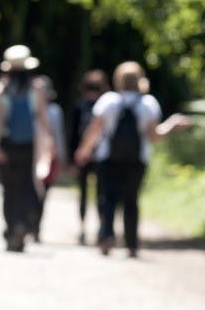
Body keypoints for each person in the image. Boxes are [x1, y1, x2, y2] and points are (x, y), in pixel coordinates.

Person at [75, 61, 190, 257]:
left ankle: (107, 236)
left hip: (108, 158)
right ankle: (131, 244)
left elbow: (94, 130)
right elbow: (154, 136)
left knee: (108, 198)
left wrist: (83, 150)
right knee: (131, 200)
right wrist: (171, 124)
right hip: (137, 160)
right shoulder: (148, 103)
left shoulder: (108, 100)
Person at [0, 45, 53, 252]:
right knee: (26, 186)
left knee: (9, 189)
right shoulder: (38, 88)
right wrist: (49, 142)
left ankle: (11, 228)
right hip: (29, 144)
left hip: (7, 144)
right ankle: (22, 225)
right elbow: (42, 118)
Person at [68, 70, 110, 244]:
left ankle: (82, 229)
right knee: (102, 194)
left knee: (83, 194)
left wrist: (72, 159)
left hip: (82, 155)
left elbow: (73, 134)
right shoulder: (106, 105)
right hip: (101, 155)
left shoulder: (80, 105)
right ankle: (102, 229)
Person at [29, 75, 66, 242]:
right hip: (31, 155)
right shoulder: (29, 108)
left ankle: (36, 227)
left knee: (43, 193)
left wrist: (60, 158)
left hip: (47, 156)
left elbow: (58, 136)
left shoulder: (54, 111)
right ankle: (31, 225)